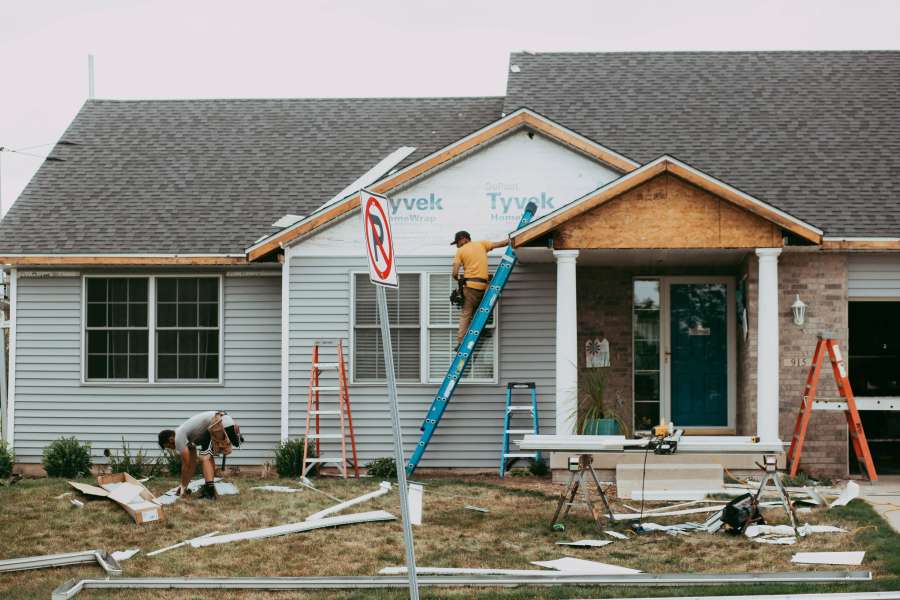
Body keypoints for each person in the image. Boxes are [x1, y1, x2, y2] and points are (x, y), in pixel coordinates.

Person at [158, 411, 243, 500]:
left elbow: (185, 465)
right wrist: (184, 486)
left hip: (218, 423)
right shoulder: (187, 438)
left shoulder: (178, 437)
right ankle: (210, 489)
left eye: (169, 446)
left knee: (204, 458)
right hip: (222, 422)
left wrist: (182, 486)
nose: (172, 449)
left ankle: (210, 493)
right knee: (207, 457)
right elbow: (191, 465)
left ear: (171, 439)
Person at [451, 230, 509, 344]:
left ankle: (460, 341)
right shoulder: (482, 244)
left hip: (470, 287)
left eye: (457, 242)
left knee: (466, 313)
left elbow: (454, 272)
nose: (457, 245)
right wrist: (511, 240)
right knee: (480, 311)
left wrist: (457, 279)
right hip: (484, 287)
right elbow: (500, 244)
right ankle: (482, 330)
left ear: (463, 239)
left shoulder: (460, 251)